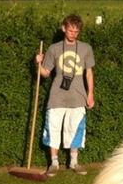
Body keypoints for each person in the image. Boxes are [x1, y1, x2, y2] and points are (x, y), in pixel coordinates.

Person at [35, 13, 96, 175]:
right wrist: (38, 63)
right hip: (57, 97)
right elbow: (46, 73)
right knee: (53, 129)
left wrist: (90, 95)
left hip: (78, 97)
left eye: (76, 32)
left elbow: (89, 74)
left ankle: (74, 162)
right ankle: (54, 164)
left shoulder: (86, 48)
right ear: (64, 29)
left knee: (75, 129)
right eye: (70, 31)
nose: (73, 34)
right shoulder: (54, 49)